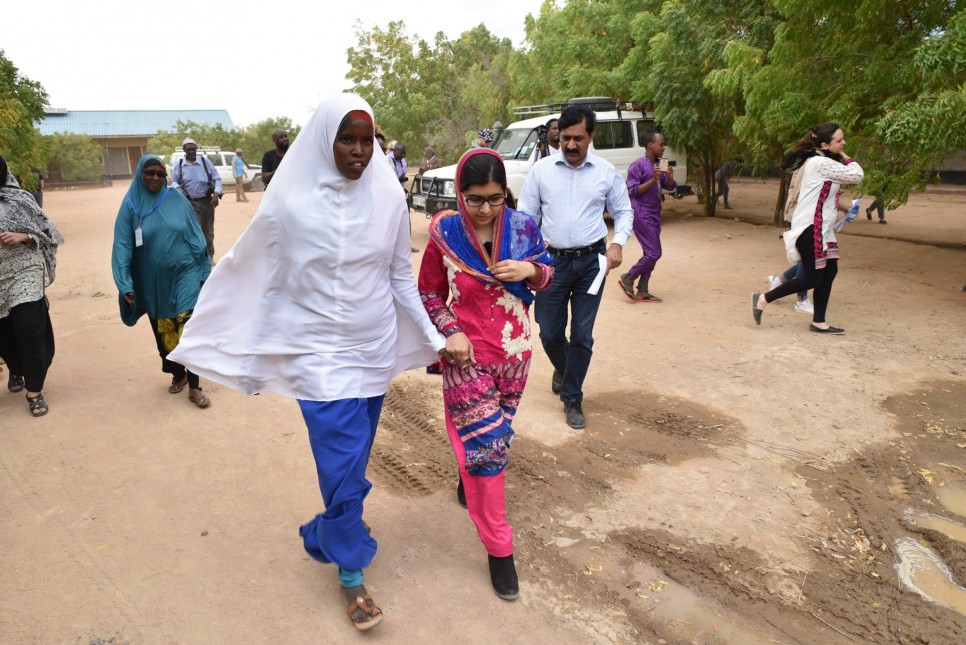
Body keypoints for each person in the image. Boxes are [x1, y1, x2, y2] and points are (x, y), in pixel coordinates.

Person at [167, 94, 446, 632]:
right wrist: (227, 330)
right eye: (347, 139)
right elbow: (258, 271)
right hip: (318, 357)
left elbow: (397, 277)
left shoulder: (388, 197)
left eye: (367, 141)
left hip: (373, 351)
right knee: (340, 461)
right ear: (324, 140)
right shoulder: (291, 202)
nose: (359, 152)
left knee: (354, 461)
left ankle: (330, 531)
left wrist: (435, 335)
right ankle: (351, 574)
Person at [418, 148, 554, 601]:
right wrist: (451, 331)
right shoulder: (446, 234)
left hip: (515, 355)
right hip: (466, 360)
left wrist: (530, 269)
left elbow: (548, 273)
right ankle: (500, 550)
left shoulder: (523, 227)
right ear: (460, 193)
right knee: (491, 451)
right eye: (474, 199)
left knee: (491, 442)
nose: (484, 210)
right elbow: (430, 293)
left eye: (494, 199)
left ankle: (468, 473)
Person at [517, 103, 633, 429]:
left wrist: (618, 243)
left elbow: (623, 212)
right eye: (565, 138)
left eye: (578, 138)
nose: (570, 145)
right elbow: (527, 217)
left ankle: (572, 397)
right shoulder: (540, 171)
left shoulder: (606, 173)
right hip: (550, 263)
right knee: (549, 331)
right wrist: (529, 257)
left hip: (592, 263)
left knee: (582, 334)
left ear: (590, 136)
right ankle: (565, 368)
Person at [111, 155, 212, 407]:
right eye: (149, 173)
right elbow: (123, 244)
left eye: (160, 173)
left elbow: (195, 235)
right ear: (140, 175)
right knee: (165, 331)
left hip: (185, 273)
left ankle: (195, 385)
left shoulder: (177, 198)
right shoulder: (131, 205)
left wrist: (203, 269)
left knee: (188, 326)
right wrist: (125, 282)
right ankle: (178, 373)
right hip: (153, 281)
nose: (155, 177)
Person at [752, 123, 864, 334]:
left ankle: (819, 322)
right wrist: (846, 155)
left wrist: (845, 208)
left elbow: (828, 196)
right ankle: (763, 298)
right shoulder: (820, 162)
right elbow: (856, 175)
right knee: (813, 277)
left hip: (822, 228)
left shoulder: (821, 162)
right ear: (824, 144)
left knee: (830, 271)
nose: (843, 143)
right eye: (839, 141)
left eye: (843, 140)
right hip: (811, 227)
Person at [0, 155, 63, 417]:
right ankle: (16, 368)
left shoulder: (21, 199)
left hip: (26, 269)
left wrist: (25, 236)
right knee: (4, 335)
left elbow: (50, 232)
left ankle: (34, 391)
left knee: (29, 328)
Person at [619, 131, 677, 303]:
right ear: (650, 145)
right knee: (654, 252)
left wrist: (670, 178)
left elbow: (669, 186)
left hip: (655, 212)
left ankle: (643, 290)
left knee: (649, 252)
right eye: (661, 144)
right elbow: (632, 191)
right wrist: (653, 179)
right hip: (641, 213)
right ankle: (629, 277)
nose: (664, 147)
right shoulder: (638, 165)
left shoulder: (662, 164)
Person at [172, 138, 222, 261]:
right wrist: (178, 188)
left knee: (209, 233)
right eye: (188, 150)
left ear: (196, 149)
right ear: (184, 150)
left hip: (207, 202)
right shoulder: (179, 165)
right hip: (190, 203)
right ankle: (199, 257)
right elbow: (173, 181)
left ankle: (210, 256)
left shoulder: (205, 162)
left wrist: (216, 193)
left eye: (193, 149)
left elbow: (217, 179)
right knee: (195, 231)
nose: (191, 152)